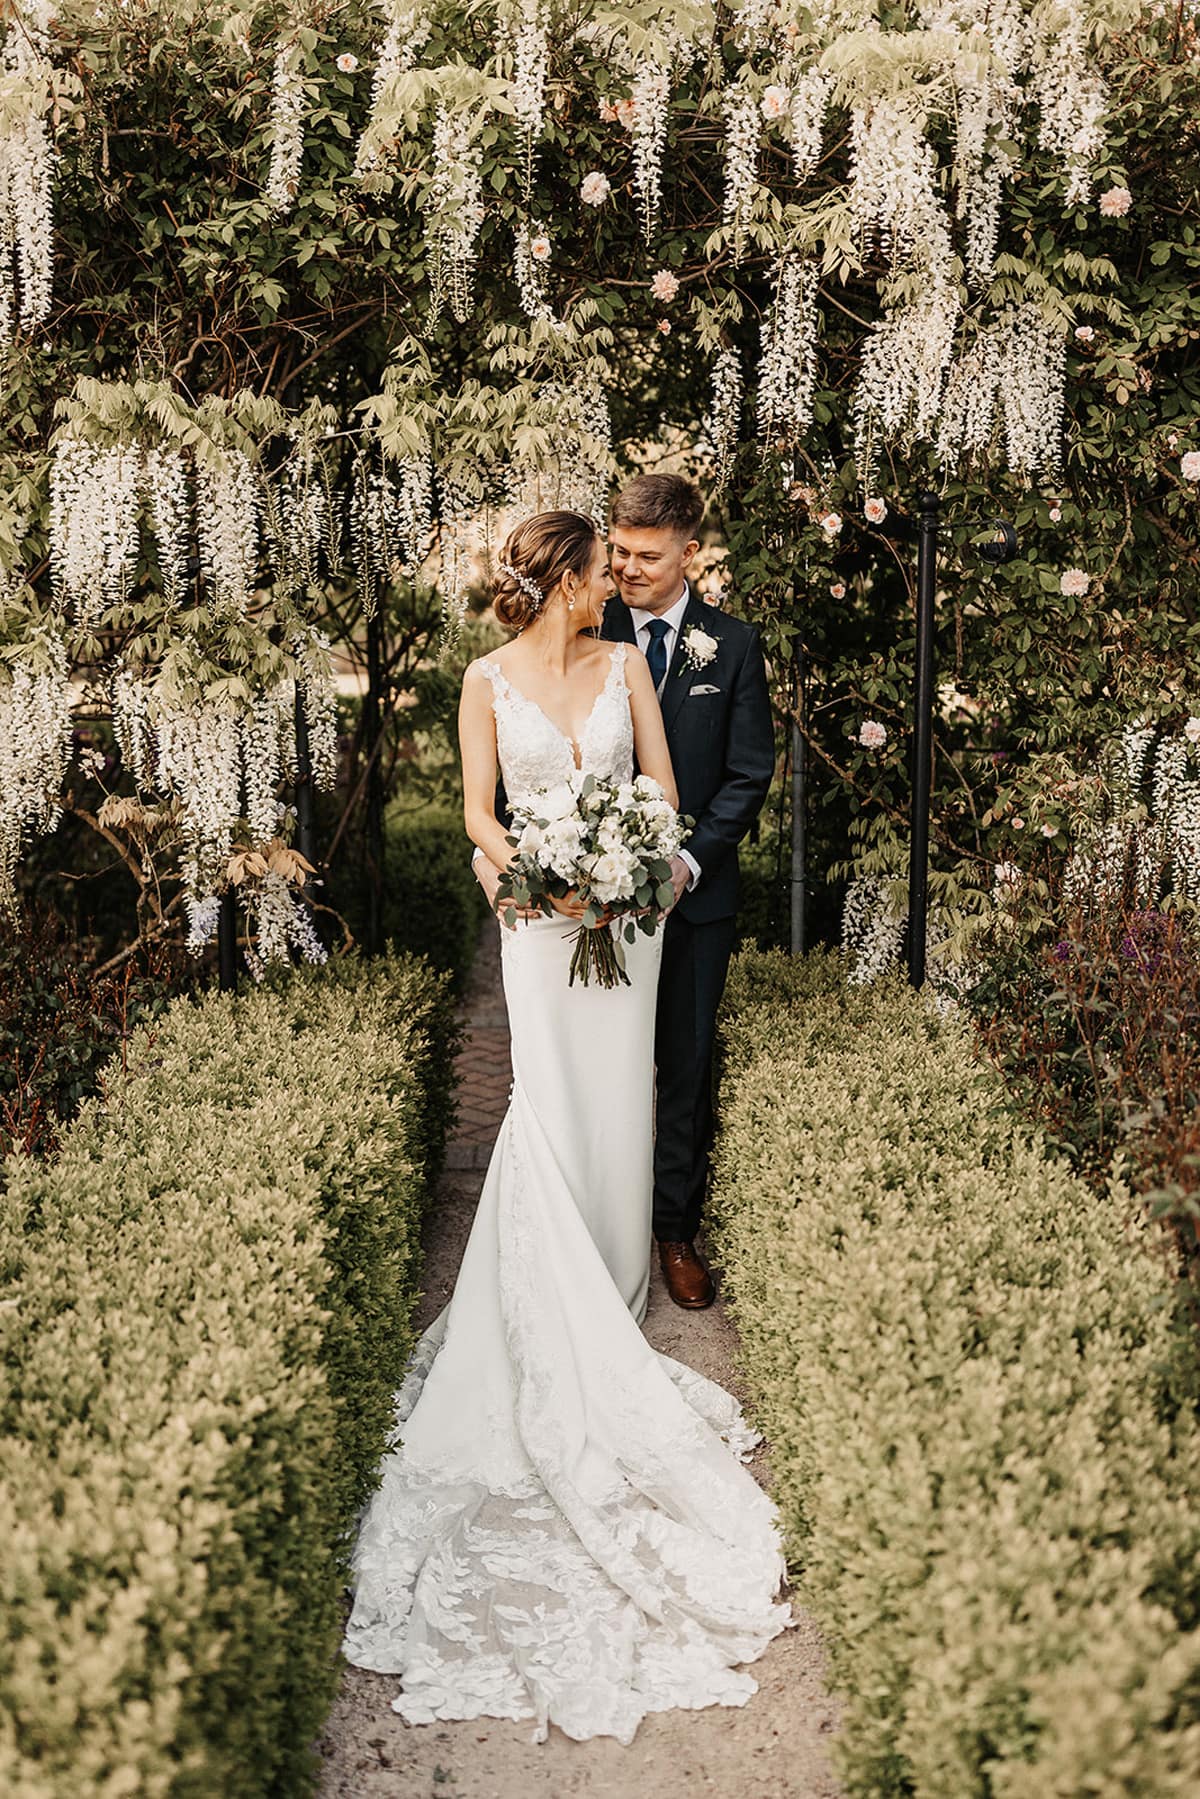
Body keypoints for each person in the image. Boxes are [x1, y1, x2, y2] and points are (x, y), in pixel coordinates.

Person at [342, 508, 788, 1745]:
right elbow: (480, 815)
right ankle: (557, 1295)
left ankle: (617, 1268)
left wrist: (626, 862)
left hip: (626, 920)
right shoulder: (484, 680)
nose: (611, 586)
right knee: (547, 1091)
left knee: (621, 1088)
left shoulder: (628, 665)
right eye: (599, 571)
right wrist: (526, 877)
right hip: (538, 924)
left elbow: (664, 792)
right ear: (565, 580)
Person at [474, 474, 775, 1309]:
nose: (629, 570)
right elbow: (503, 795)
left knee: (683, 1065)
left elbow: (747, 775)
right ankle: (576, 1242)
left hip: (690, 897)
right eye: (620, 554)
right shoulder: (580, 620)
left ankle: (672, 1232)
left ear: (690, 553)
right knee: (580, 1080)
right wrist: (511, 870)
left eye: (648, 556)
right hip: (570, 906)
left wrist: (680, 865)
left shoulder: (732, 646)